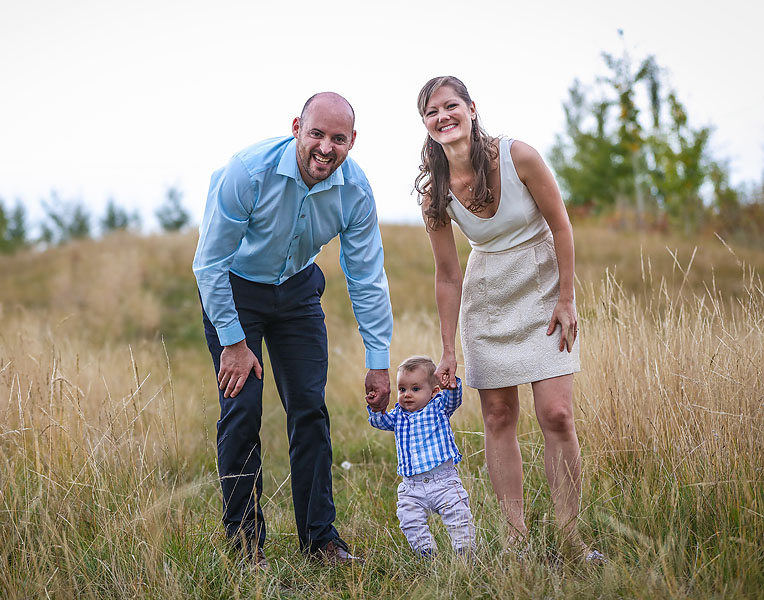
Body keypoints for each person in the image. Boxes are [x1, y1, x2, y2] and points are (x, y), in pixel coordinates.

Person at [193, 92, 393, 567]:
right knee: (242, 412)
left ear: (352, 142)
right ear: (297, 127)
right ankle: (245, 548)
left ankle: (321, 541)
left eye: (338, 139)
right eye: (317, 134)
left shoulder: (356, 191)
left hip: (298, 290)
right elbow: (209, 264)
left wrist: (379, 362)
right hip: (236, 290)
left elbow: (367, 276)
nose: (326, 148)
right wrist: (234, 342)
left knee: (309, 410)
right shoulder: (248, 171)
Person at [414, 76, 605, 563]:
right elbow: (447, 273)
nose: (443, 117)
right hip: (488, 296)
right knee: (499, 417)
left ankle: (571, 540)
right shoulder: (435, 192)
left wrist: (567, 297)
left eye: (451, 105)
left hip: (543, 287)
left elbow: (561, 224)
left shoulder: (519, 155)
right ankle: (516, 540)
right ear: (426, 124)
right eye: (432, 112)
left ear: (472, 108)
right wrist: (448, 348)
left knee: (556, 415)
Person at [366, 356, 475, 557]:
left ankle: (464, 553)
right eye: (402, 389)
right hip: (412, 486)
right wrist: (375, 408)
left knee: (458, 517)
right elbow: (380, 422)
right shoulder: (398, 415)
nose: (407, 395)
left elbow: (454, 398)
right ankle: (426, 552)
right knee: (408, 518)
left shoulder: (439, 407)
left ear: (433, 392)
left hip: (444, 482)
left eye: (415, 389)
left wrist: (449, 384)